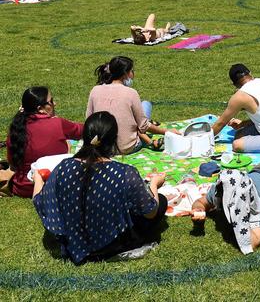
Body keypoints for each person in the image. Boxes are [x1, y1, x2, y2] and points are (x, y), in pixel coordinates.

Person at [32, 112, 168, 264]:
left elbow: (40, 202)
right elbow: (150, 212)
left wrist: (38, 179)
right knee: (160, 201)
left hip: (74, 238)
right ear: (114, 139)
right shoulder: (125, 173)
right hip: (113, 242)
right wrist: (154, 185)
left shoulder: (64, 168)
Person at [87, 56, 178, 153]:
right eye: (132, 71)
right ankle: (149, 140)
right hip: (126, 147)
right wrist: (167, 131)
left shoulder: (95, 90)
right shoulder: (131, 93)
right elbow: (143, 126)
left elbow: (89, 120)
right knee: (146, 105)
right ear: (126, 73)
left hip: (101, 147)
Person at [5, 87, 83, 197]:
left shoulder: (16, 128)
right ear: (40, 109)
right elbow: (83, 130)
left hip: (23, 188)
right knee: (71, 145)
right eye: (50, 101)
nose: (54, 103)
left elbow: (13, 164)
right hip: (55, 185)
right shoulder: (57, 123)